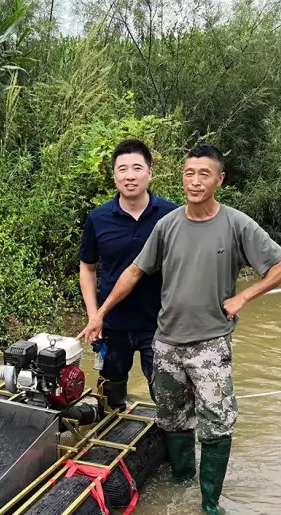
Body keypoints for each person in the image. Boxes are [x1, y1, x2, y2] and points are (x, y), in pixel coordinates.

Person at [79, 144, 281, 515]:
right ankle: (181, 480)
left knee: (218, 423)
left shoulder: (236, 224)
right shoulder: (168, 224)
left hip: (211, 344)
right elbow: (133, 272)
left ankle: (210, 502)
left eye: (204, 174)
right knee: (173, 419)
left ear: (219, 180)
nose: (195, 181)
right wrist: (100, 314)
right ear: (181, 176)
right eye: (189, 173)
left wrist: (243, 296)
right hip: (165, 343)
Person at [78, 139, 178, 411]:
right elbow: (87, 267)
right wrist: (93, 315)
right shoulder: (99, 218)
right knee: (109, 393)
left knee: (166, 392)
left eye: (137, 168)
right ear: (114, 175)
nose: (129, 176)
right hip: (112, 324)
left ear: (150, 173)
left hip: (158, 322)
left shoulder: (171, 215)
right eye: (122, 169)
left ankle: (170, 446)